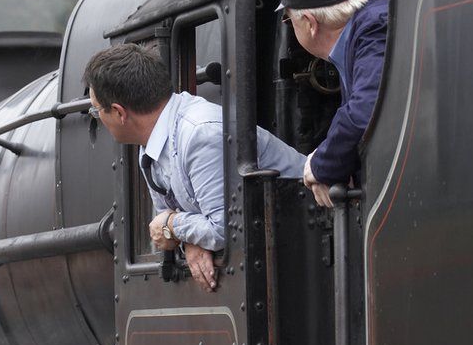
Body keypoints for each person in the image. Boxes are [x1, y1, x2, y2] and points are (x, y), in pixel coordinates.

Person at [83, 44, 307, 292]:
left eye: (96, 111)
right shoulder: (149, 148)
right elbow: (167, 223)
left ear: (118, 112)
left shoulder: (200, 134)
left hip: (302, 242)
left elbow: (224, 229)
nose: (98, 119)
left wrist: (174, 227)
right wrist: (187, 238)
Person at [271, 0, 388, 206]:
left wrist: (320, 165)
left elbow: (365, 110)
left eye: (288, 19)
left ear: (310, 23)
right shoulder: (362, 33)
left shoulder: (375, 28)